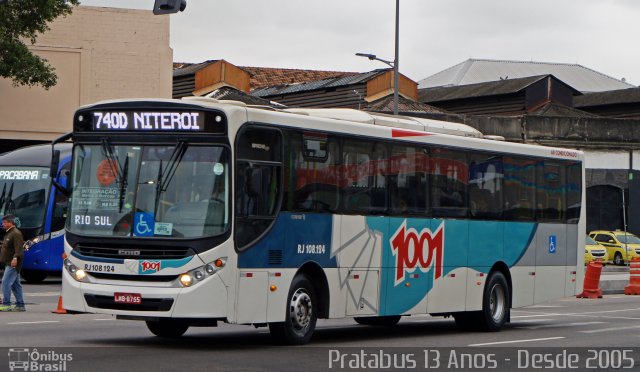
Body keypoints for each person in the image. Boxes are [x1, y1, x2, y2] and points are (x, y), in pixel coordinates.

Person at [0, 214, 25, 312]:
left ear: (10, 223)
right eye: (3, 222)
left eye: (5, 222)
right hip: (8, 262)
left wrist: (15, 259)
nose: (3, 224)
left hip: (13, 263)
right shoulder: (9, 233)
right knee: (15, 284)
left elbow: (19, 249)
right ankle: (20, 305)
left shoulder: (16, 233)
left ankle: (6, 304)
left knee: (5, 282)